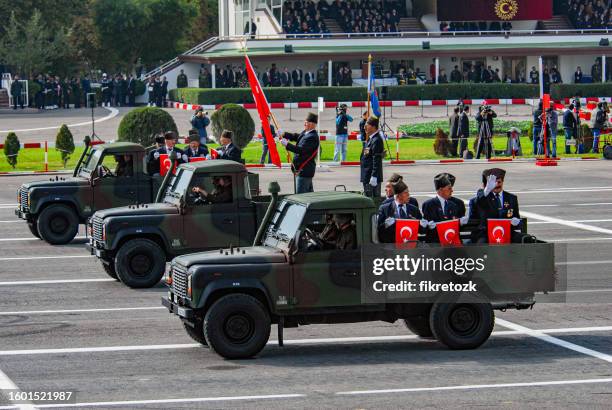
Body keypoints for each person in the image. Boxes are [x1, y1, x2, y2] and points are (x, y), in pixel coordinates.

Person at [471, 168, 530, 243]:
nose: (497, 185)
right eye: (494, 183)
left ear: (502, 182)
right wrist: (487, 190)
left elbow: (517, 217)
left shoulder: (512, 198)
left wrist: (516, 221)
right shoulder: (483, 196)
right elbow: (478, 201)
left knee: (526, 239)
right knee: (482, 243)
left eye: (499, 182)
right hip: (486, 234)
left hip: (507, 232)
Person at [280, 113, 320, 193]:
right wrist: (284, 134)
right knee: (308, 196)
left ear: (312, 124)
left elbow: (301, 150)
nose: (304, 124)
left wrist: (287, 144)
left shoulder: (312, 137)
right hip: (303, 171)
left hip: (304, 170)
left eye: (306, 122)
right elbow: (296, 136)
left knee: (301, 197)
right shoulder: (306, 133)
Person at [422, 173, 468, 242]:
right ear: (440, 190)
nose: (452, 191)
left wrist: (459, 222)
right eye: (449, 188)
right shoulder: (429, 205)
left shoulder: (453, 205)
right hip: (436, 242)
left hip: (452, 240)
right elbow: (427, 228)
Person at [377, 179, 425, 244]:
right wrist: (385, 225)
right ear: (398, 195)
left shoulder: (414, 209)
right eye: (406, 193)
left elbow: (421, 231)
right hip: (392, 246)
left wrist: (423, 225)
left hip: (410, 246)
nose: (409, 195)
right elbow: (378, 230)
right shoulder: (385, 209)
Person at [360, 116, 385, 197]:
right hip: (367, 176)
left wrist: (374, 176)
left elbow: (376, 159)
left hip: (372, 178)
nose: (364, 127)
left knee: (374, 202)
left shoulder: (377, 140)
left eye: (367, 125)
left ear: (374, 127)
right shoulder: (371, 139)